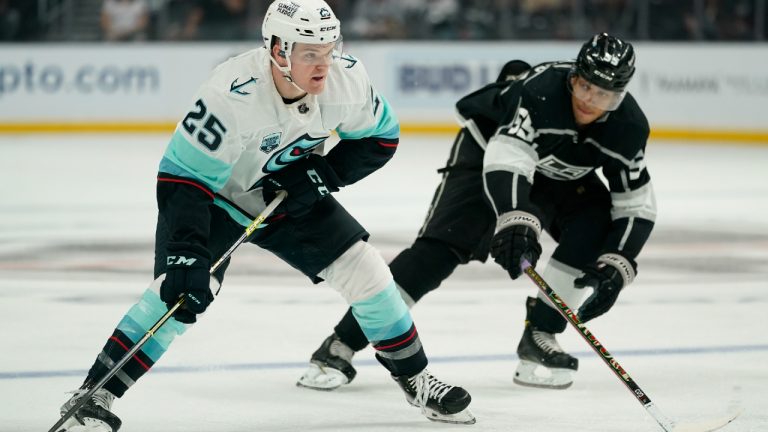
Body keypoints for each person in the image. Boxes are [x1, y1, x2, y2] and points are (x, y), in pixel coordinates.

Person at [52, 1, 475, 430]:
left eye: (329, 49)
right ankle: (95, 394)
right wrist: (185, 252)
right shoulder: (229, 95)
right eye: (310, 53)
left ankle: (416, 379)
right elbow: (183, 179)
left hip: (285, 198)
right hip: (215, 199)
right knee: (177, 294)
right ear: (277, 50)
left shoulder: (347, 79)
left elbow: (382, 138)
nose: (324, 64)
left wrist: (322, 173)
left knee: (367, 272)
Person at [297, 33, 656, 391]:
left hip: (557, 172)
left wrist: (617, 266)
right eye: (584, 87)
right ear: (573, 77)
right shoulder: (541, 91)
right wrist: (516, 219)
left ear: (620, 96)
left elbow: (635, 204)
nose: (590, 102)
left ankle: (541, 334)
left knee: (596, 227)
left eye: (604, 95)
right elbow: (508, 159)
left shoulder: (628, 128)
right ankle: (341, 343)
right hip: (486, 153)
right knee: (439, 251)